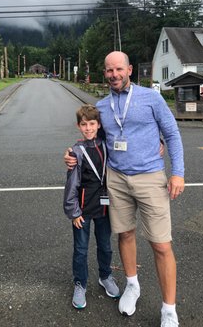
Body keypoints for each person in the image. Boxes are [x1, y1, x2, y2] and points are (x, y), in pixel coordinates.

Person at [65, 51, 184, 327]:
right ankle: (132, 284)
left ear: (129, 69)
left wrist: (177, 172)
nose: (114, 75)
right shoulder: (102, 106)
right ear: (104, 73)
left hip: (150, 177)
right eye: (109, 70)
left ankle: (169, 309)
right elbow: (93, 136)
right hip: (116, 179)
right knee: (125, 234)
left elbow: (172, 133)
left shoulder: (151, 98)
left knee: (161, 244)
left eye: (119, 69)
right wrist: (71, 153)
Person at [63, 104, 120, 309]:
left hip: (104, 208)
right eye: (84, 124)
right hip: (83, 210)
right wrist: (73, 211)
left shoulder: (106, 144)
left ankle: (105, 276)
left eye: (92, 124)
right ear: (78, 126)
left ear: (99, 125)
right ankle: (80, 283)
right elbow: (72, 184)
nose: (88, 128)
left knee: (105, 246)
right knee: (81, 249)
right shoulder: (76, 151)